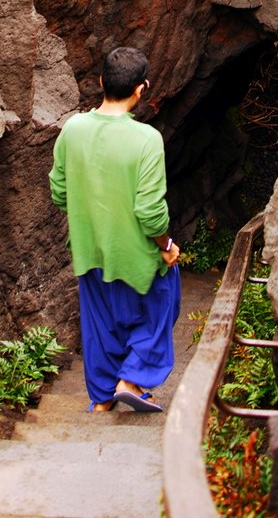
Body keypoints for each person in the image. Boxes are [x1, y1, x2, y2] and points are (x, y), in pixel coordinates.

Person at [49, 46, 181, 413]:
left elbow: (59, 191)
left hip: (90, 249)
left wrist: (89, 214)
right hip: (136, 254)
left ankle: (104, 399)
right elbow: (151, 212)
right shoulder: (146, 140)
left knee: (100, 324)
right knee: (161, 307)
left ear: (102, 82)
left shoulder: (72, 129)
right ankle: (132, 378)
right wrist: (167, 244)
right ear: (142, 88)